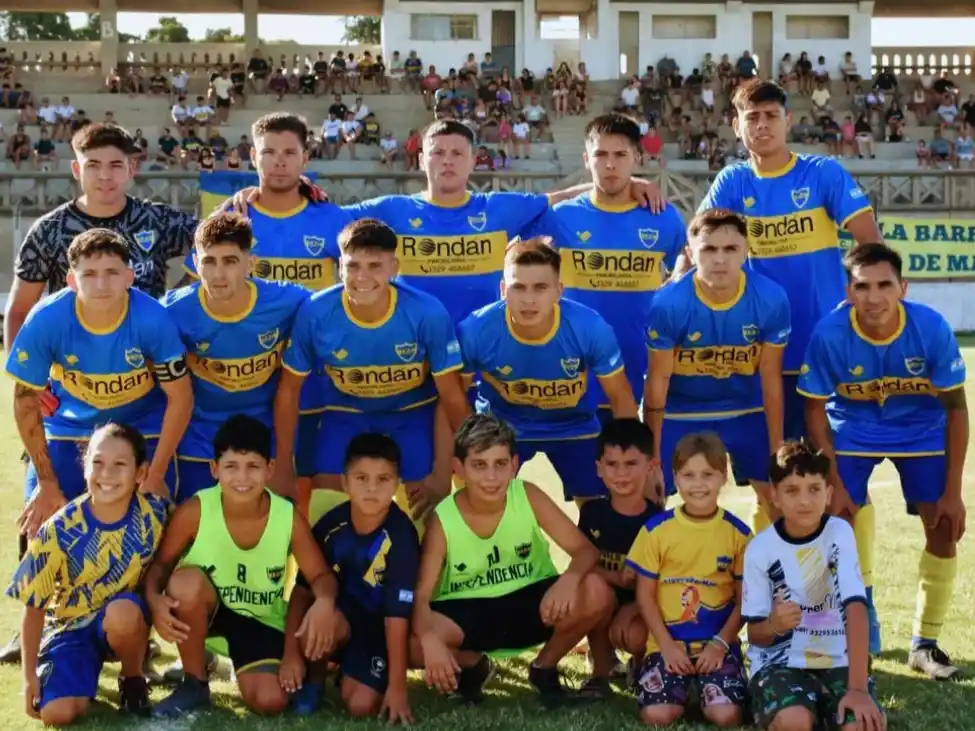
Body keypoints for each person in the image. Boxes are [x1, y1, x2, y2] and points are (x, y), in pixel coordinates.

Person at [691, 80, 884, 637]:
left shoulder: (821, 174)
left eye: (772, 115)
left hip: (826, 356)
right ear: (737, 125)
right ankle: (778, 605)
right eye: (752, 116)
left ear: (788, 120)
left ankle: (859, 608)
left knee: (841, 482)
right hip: (760, 355)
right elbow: (698, 241)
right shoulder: (733, 181)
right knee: (768, 479)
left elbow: (866, 242)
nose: (763, 125)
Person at [797, 243, 967, 680]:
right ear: (849, 291)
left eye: (884, 285)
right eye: (863, 286)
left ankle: (924, 644)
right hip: (853, 427)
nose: (874, 297)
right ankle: (859, 627)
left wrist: (954, 491)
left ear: (903, 288)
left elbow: (956, 409)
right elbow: (814, 409)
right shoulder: (830, 333)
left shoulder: (929, 328)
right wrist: (832, 479)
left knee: (944, 527)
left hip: (922, 430)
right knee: (836, 525)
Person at [183, 112, 352, 508]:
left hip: (317, 382)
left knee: (317, 493)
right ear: (252, 157)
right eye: (269, 152)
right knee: (252, 497)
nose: (279, 161)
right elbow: (199, 290)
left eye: (290, 152)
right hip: (252, 384)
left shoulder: (332, 219)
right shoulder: (230, 220)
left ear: (304, 159)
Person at [412, 414, 614, 708]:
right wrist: (430, 641)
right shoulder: (443, 518)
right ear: (459, 469)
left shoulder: (526, 495)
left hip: (533, 603)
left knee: (596, 589)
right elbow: (420, 596)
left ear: (514, 465)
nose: (491, 477)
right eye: (479, 465)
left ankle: (544, 668)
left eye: (500, 464)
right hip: (467, 610)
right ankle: (471, 665)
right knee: (409, 642)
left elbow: (586, 551)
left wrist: (568, 580)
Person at [144, 415, 339, 718]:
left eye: (253, 467)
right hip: (207, 614)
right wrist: (155, 600)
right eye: (231, 467)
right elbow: (161, 566)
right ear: (214, 469)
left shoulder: (287, 516)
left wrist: (325, 601)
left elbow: (321, 575)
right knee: (184, 583)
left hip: (259, 621)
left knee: (270, 701)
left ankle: (254, 667)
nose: (242, 478)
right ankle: (194, 682)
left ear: (270, 469)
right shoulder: (196, 510)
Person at [276, 218, 471, 519]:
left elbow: (452, 396)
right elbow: (289, 391)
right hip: (345, 414)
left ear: (394, 267)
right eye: (353, 266)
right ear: (339, 266)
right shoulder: (315, 312)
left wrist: (448, 468)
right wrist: (284, 466)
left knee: (423, 518)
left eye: (375, 266)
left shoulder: (426, 313)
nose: (362, 277)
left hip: (413, 414)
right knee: (325, 514)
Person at [5, 228, 191, 531]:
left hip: (144, 427)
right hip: (70, 426)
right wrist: (47, 482)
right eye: (89, 273)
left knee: (161, 528)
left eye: (112, 272)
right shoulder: (46, 320)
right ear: (71, 280)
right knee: (40, 521)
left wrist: (155, 474)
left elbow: (181, 397)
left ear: (129, 277)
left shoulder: (153, 320)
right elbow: (24, 401)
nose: (102, 284)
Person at [528, 114, 686, 439]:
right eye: (600, 155)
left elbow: (686, 260)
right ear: (587, 160)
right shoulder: (561, 217)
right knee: (586, 473)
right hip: (574, 367)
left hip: (639, 362)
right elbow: (517, 251)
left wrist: (673, 285)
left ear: (637, 159)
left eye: (620, 155)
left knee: (631, 467)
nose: (610, 165)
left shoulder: (662, 217)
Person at [7, 423, 170, 725]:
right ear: (84, 468)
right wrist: (29, 677)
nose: (106, 474)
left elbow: (175, 553)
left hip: (122, 621)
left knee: (123, 612)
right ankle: (78, 677)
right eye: (97, 463)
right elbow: (33, 608)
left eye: (120, 464)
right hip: (68, 629)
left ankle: (133, 679)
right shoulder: (56, 530)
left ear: (141, 473)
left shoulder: (156, 515)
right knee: (57, 714)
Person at [458, 238, 639, 502]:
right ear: (502, 290)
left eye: (540, 288)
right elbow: (453, 396)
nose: (528, 299)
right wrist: (468, 448)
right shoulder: (476, 330)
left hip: (575, 426)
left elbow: (621, 399)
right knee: (484, 504)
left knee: (603, 512)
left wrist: (635, 465)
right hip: (502, 427)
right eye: (518, 287)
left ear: (559, 291)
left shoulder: (590, 327)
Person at [644, 210, 790, 519]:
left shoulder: (771, 298)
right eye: (709, 249)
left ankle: (773, 564)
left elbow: (770, 377)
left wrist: (776, 447)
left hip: (745, 409)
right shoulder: (669, 304)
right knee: (649, 497)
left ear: (746, 251)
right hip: (680, 411)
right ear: (690, 252)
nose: (720, 259)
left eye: (730, 249)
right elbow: (657, 382)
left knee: (778, 496)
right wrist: (652, 459)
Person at [161, 213, 310, 502]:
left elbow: (335, 309)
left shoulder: (289, 301)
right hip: (200, 436)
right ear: (194, 264)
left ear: (250, 263)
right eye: (209, 262)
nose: (218, 274)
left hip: (266, 433)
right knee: (197, 526)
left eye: (229, 261)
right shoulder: (171, 311)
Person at [743, 442, 886, 731]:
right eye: (792, 490)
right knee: (795, 722)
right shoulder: (760, 550)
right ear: (775, 496)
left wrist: (857, 689)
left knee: (861, 724)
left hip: (837, 662)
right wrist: (773, 624)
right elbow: (755, 635)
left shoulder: (839, 533)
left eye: (814, 489)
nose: (805, 501)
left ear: (828, 494)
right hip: (781, 664)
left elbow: (856, 606)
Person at [284, 433, 420, 720]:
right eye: (361, 478)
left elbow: (397, 616)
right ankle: (315, 680)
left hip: (379, 631)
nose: (372, 488)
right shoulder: (331, 525)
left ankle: (352, 672)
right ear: (345, 482)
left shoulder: (402, 536)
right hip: (338, 621)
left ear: (397, 484)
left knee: (361, 706)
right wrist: (291, 654)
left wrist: (398, 687)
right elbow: (301, 591)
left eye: (383, 480)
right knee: (320, 611)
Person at [626, 433, 751, 727]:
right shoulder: (657, 530)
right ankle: (677, 685)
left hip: (716, 646)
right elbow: (645, 596)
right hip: (668, 646)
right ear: (675, 478)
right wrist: (666, 647)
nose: (698, 484)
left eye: (708, 474)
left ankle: (705, 687)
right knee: (658, 716)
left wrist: (720, 644)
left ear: (724, 477)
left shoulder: (739, 534)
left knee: (726, 716)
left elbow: (746, 599)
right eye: (689, 475)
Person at [578, 418, 661, 695]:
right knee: (594, 594)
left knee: (638, 633)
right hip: (604, 602)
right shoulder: (592, 514)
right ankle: (601, 671)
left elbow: (666, 581)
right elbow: (583, 565)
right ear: (599, 469)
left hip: (643, 606)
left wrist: (636, 605)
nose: (621, 474)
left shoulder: (658, 521)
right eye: (612, 464)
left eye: (631, 464)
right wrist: (616, 579)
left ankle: (642, 663)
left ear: (651, 466)